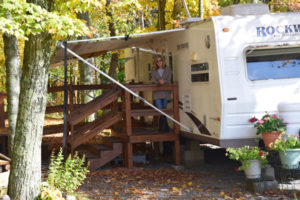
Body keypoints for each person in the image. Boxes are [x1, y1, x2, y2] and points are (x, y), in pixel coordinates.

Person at [152, 55, 172, 132]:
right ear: (155, 63)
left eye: (160, 60)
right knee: (161, 110)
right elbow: (154, 80)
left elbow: (169, 80)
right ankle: (165, 128)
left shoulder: (167, 69)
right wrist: (159, 82)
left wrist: (164, 81)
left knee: (163, 110)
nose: (159, 62)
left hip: (166, 93)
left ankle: (162, 128)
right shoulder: (153, 70)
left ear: (162, 61)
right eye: (157, 61)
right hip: (157, 93)